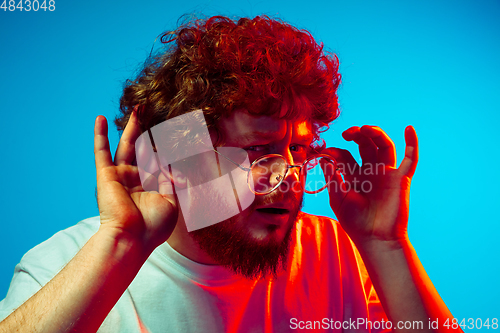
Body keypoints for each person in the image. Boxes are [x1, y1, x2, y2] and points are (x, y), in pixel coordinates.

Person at [0, 15, 460, 332]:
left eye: (298, 149)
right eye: (258, 150)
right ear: (178, 160)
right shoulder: (67, 266)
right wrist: (119, 245)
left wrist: (386, 245)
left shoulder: (335, 252)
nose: (290, 176)